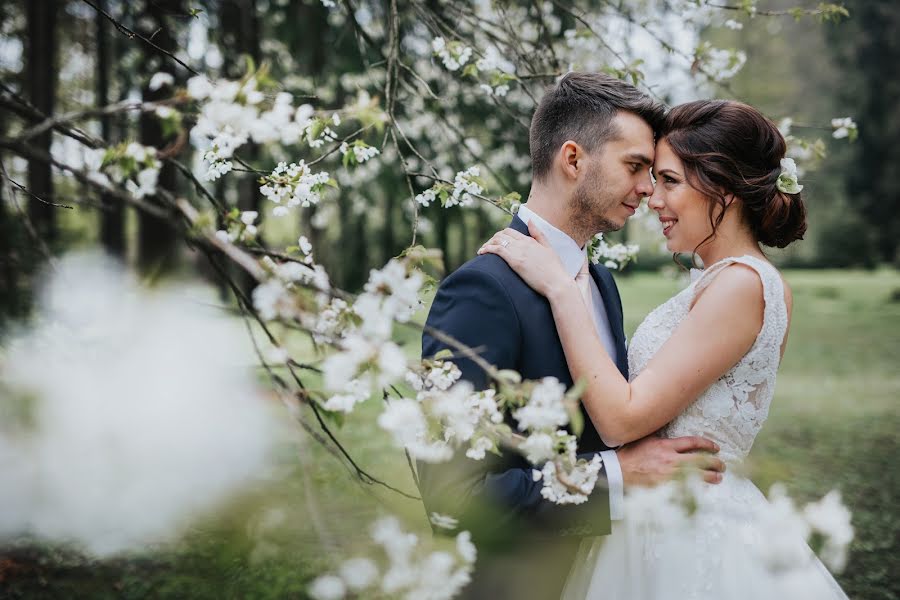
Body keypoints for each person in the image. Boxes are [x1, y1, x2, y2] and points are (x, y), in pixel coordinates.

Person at [479, 99, 849, 598]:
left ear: (723, 188)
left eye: (669, 180)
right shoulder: (716, 281)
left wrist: (561, 289)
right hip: (650, 517)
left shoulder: (743, 284)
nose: (653, 197)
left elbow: (621, 419)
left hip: (693, 533)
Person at [418, 73, 726, 600]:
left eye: (652, 173)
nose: (649, 189)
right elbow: (454, 497)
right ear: (573, 159)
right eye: (635, 167)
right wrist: (617, 476)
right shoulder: (482, 289)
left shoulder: (601, 283)